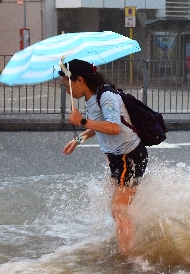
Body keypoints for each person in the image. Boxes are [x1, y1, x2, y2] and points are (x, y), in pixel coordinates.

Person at [59, 59, 148, 256]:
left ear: (80, 80)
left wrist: (81, 121)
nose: (67, 91)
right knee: (117, 208)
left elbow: (114, 127)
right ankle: (137, 235)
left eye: (68, 86)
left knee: (119, 209)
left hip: (129, 155)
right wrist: (79, 139)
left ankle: (128, 257)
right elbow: (99, 124)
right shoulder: (91, 98)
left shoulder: (106, 96)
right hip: (118, 157)